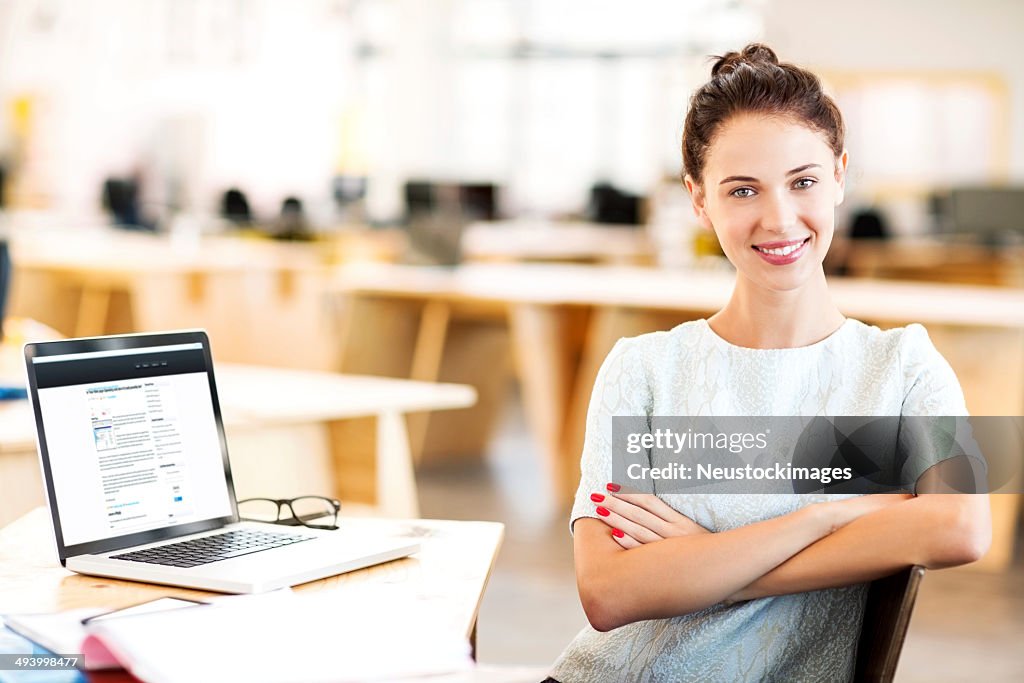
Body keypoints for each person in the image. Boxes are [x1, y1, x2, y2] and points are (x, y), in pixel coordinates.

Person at [546, 44, 991, 683]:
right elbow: (611, 593)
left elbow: (961, 524)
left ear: (839, 175)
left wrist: (702, 569)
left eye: (803, 181)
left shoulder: (904, 367)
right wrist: (823, 515)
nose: (779, 219)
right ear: (699, 200)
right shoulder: (641, 369)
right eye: (743, 190)